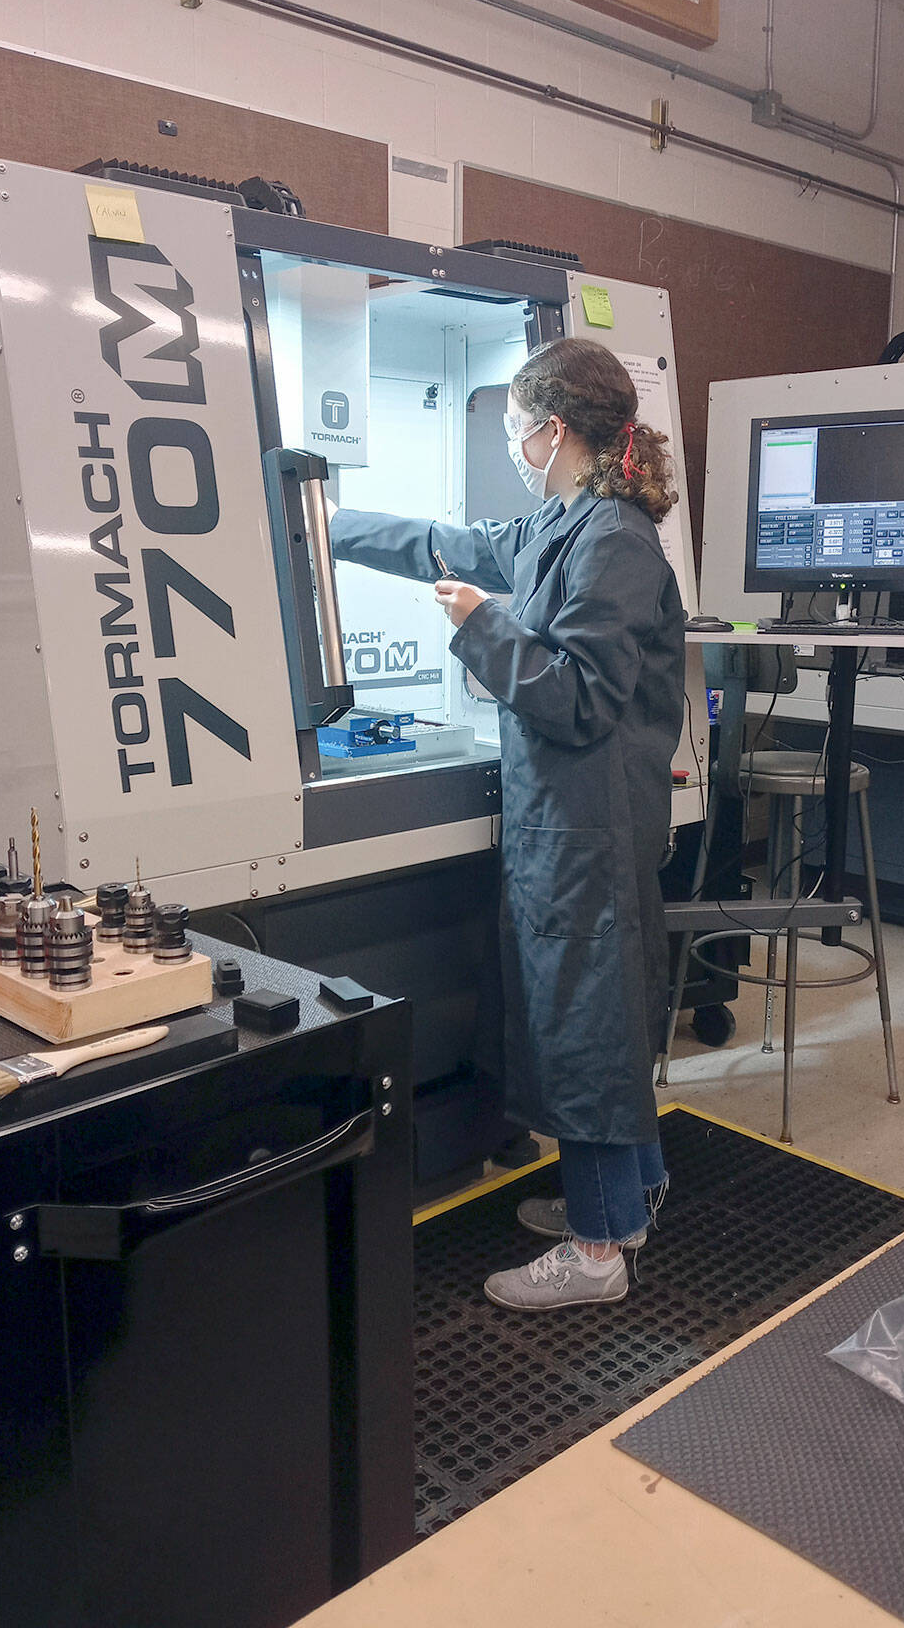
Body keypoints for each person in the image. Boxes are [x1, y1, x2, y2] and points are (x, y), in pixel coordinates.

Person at [329, 338, 685, 1310]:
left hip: (587, 827)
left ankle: (600, 1249)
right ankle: (628, 1201)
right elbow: (445, 543)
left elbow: (576, 697)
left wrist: (481, 623)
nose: (515, 445)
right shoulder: (564, 524)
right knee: (590, 1019)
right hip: (568, 823)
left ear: (551, 429)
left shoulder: (611, 540)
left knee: (587, 1031)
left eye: (515, 428)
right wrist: (321, 520)